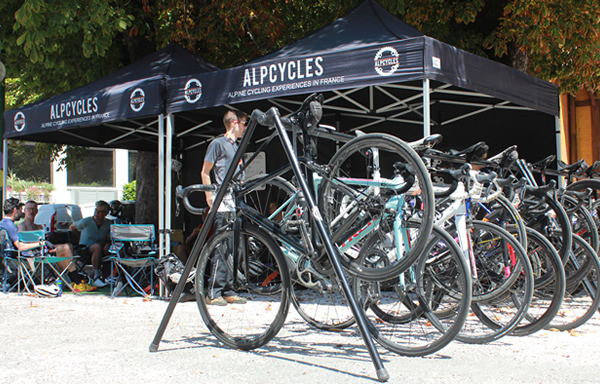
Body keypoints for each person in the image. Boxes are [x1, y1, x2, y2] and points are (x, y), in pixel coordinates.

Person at [200, 109, 248, 306]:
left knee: (233, 246)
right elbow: (205, 171)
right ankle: (214, 291)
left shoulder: (236, 146)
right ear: (234, 123)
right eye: (244, 124)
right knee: (220, 246)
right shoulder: (217, 143)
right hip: (221, 200)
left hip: (234, 200)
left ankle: (228, 288)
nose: (246, 128)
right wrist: (209, 195)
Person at [17, 200, 76, 272]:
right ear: (24, 211)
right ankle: (72, 275)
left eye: (33, 209)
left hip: (43, 250)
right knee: (65, 248)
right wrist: (44, 243)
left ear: (37, 211)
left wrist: (47, 243)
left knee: (69, 246)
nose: (31, 211)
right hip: (34, 254)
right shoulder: (22, 226)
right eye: (29, 209)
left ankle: (66, 275)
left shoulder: (38, 227)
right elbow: (24, 244)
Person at [69, 200, 112, 287]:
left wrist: (108, 243)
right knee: (97, 247)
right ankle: (96, 275)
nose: (96, 213)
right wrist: (78, 238)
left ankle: (112, 276)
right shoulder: (87, 221)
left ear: (106, 213)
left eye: (100, 212)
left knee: (110, 249)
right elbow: (72, 227)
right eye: (96, 210)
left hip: (102, 249)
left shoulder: (108, 223)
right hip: (85, 249)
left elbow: (110, 235)